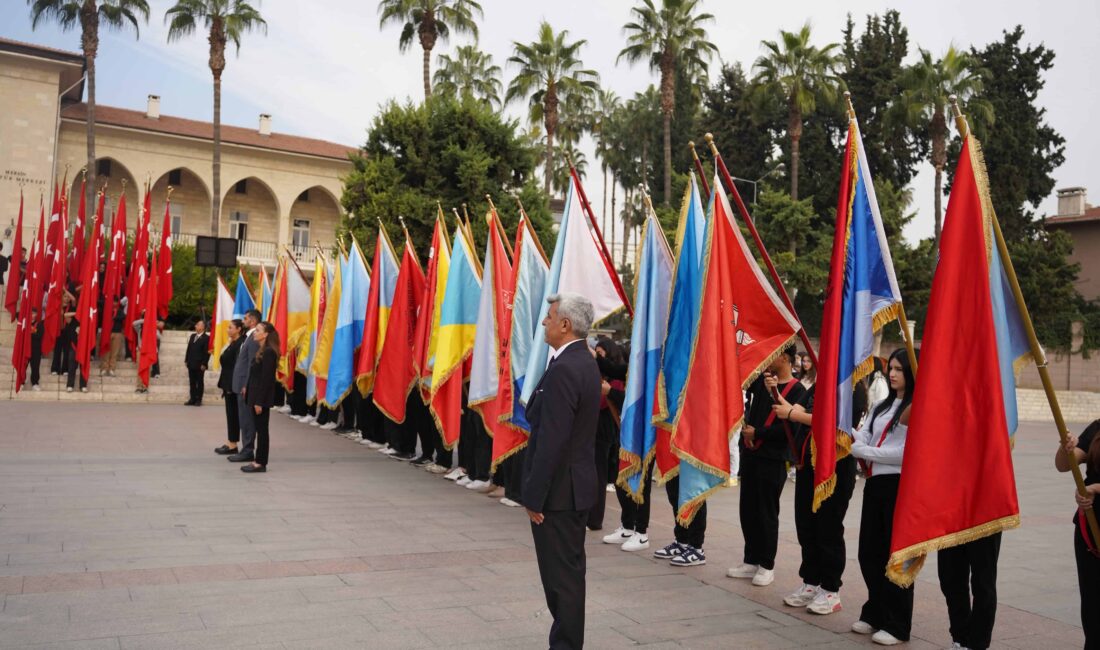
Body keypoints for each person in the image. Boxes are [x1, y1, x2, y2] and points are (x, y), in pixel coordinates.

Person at [522, 292, 601, 650]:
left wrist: (534, 496)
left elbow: (552, 441)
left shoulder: (567, 368)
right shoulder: (579, 361)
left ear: (565, 324)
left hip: (559, 495)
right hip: (572, 488)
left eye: (549, 317)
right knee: (567, 577)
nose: (544, 323)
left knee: (561, 581)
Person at [772, 372, 868, 616]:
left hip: (835, 466)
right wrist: (776, 394)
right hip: (808, 463)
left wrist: (793, 415)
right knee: (806, 525)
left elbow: (836, 423)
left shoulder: (853, 387)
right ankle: (811, 581)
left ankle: (830, 589)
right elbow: (796, 408)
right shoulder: (821, 383)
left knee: (828, 528)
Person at [850, 348, 916, 646]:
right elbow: (862, 434)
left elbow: (906, 455)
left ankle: (898, 623)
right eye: (891, 367)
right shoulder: (880, 405)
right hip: (875, 486)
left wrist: (866, 452)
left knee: (896, 557)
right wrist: (861, 445)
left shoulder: (917, 408)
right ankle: (875, 610)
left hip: (899, 487)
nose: (892, 373)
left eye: (900, 369)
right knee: (869, 553)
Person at [728, 345, 806, 587]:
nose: (766, 359)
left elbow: (790, 430)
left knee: (766, 512)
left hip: (774, 457)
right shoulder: (761, 383)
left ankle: (766, 564)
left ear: (784, 357)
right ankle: (750, 559)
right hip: (752, 453)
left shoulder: (797, 390)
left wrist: (758, 432)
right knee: (747, 509)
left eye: (772, 354)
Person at [1054, 420, 1100, 650]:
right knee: (1092, 603)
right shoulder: (1097, 427)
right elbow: (1063, 465)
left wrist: (1096, 488)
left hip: (1093, 504)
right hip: (1090, 528)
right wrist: (1067, 447)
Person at [587, 338, 624, 532]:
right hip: (596, 428)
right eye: (596, 353)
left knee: (599, 475)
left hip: (607, 429)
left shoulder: (617, 377)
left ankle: (595, 519)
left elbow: (607, 401)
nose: (598, 357)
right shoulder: (600, 372)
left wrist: (604, 391)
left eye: (601, 354)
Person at [242, 321, 279, 473]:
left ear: (266, 334)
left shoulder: (269, 352)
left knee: (262, 431)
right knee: (259, 429)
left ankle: (261, 463)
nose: (254, 333)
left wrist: (259, 402)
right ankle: (258, 460)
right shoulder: (262, 350)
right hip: (255, 396)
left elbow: (266, 379)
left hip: (260, 399)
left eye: (258, 330)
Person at [229, 309, 262, 463]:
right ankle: (245, 448)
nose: (243, 321)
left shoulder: (254, 338)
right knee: (243, 419)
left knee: (247, 419)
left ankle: (248, 450)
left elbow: (252, 364)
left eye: (246, 318)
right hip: (241, 384)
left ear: (253, 321)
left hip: (245, 386)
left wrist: (246, 384)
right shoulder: (249, 337)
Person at [215, 319, 245, 456]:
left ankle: (233, 444)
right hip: (228, 383)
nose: (228, 330)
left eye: (231, 327)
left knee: (233, 414)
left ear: (239, 329)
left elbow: (236, 366)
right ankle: (231, 441)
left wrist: (232, 385)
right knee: (230, 414)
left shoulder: (240, 343)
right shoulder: (233, 343)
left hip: (233, 385)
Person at [184, 319, 210, 406]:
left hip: (200, 364)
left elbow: (207, 352)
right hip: (191, 363)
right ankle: (192, 398)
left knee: (199, 382)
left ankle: (199, 399)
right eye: (196, 325)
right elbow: (189, 349)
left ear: (203, 327)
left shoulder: (206, 338)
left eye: (198, 325)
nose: (196, 326)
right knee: (192, 382)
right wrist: (186, 360)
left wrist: (204, 363)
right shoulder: (192, 336)